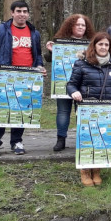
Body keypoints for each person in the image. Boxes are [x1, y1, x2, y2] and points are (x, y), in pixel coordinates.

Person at [66, 32, 111, 186]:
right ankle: (85, 171)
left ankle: (96, 169)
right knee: (87, 140)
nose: (103, 47)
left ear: (110, 47)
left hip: (107, 110)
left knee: (101, 139)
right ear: (94, 45)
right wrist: (74, 92)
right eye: (100, 44)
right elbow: (71, 84)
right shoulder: (81, 64)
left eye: (106, 45)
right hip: (87, 109)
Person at [0, 0, 46, 156]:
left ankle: (16, 142)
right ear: (12, 13)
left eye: (25, 11)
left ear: (28, 14)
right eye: (18, 11)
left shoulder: (34, 33)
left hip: (27, 77)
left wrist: (40, 67)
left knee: (21, 108)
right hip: (6, 76)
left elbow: (37, 55)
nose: (22, 14)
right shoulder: (1, 29)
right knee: (3, 109)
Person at [45, 14, 96, 152]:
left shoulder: (92, 42)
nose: (81, 27)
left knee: (82, 111)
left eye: (83, 25)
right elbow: (49, 59)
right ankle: (61, 140)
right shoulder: (60, 41)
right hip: (63, 82)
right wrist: (50, 51)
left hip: (84, 84)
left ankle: (84, 139)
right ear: (71, 26)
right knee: (63, 111)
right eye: (77, 24)